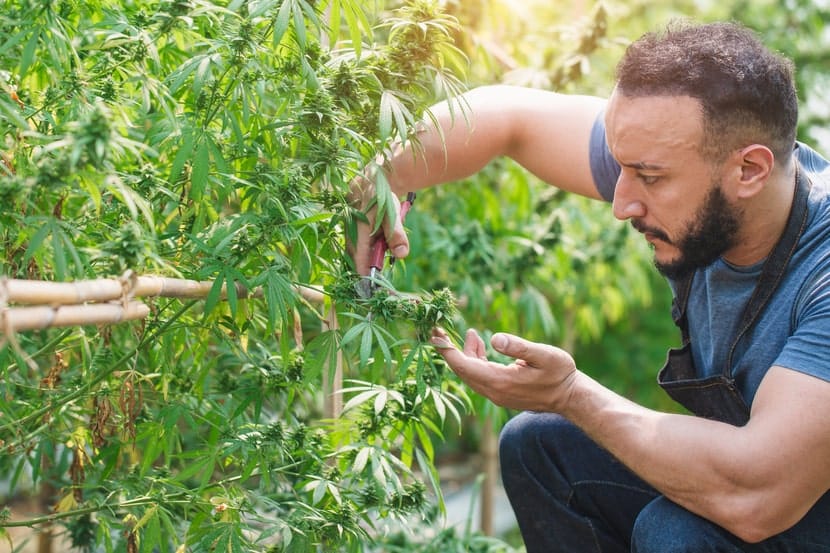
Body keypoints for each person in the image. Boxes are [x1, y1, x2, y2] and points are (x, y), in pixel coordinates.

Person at [349, 21, 830, 552]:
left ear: (749, 170)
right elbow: (505, 118)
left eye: (649, 177)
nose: (622, 203)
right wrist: (386, 181)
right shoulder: (693, 158)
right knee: (539, 446)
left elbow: (760, 494)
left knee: (675, 535)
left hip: (787, 493)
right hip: (766, 484)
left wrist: (568, 393)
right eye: (621, 168)